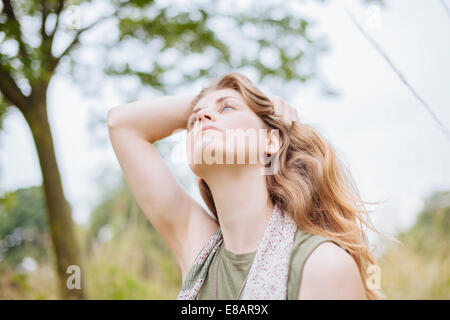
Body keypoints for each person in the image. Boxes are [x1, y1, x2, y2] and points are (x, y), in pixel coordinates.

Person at [107, 72, 387, 300]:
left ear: (270, 141)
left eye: (227, 108)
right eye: (194, 121)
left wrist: (242, 104)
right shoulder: (199, 251)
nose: (201, 119)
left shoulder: (323, 266)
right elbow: (121, 124)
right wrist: (206, 102)